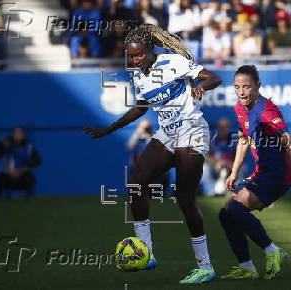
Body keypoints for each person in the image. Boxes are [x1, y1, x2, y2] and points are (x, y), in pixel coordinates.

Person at [83, 24, 222, 284]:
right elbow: (141, 108)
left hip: (192, 129)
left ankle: (205, 267)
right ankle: (146, 253)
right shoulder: (138, 75)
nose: (135, 60)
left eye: (139, 55)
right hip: (167, 133)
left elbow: (214, 77)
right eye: (131, 56)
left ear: (150, 50)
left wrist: (202, 86)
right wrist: (108, 129)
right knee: (136, 184)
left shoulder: (173, 62)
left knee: (184, 199)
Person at [219, 65, 291, 280]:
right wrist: (234, 172)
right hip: (262, 173)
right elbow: (243, 139)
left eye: (247, 87)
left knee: (235, 209)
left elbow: (290, 144)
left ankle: (272, 250)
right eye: (237, 87)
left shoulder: (267, 110)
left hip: (278, 174)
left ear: (258, 86)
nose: (241, 92)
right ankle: (247, 268)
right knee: (226, 214)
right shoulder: (240, 109)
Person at [0, 127, 42, 199]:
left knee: (29, 177)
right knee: (0, 175)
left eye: (20, 133)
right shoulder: (6, 145)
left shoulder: (28, 147)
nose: (18, 135)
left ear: (23, 135)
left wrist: (23, 169)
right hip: (8, 174)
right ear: (13, 134)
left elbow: (38, 160)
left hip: (22, 174)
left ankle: (30, 195)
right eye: (16, 133)